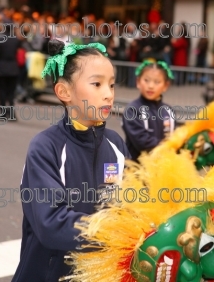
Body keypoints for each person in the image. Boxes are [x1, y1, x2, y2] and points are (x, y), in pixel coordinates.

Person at [12, 40, 130, 282]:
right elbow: (51, 222)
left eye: (111, 85)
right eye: (96, 84)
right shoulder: (45, 147)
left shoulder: (116, 144)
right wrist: (113, 231)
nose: (108, 94)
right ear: (64, 92)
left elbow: (133, 201)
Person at [122, 60, 175, 161]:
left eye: (157, 82)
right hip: (136, 171)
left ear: (165, 86)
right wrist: (170, 146)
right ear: (138, 82)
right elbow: (142, 142)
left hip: (162, 170)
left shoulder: (169, 111)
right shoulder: (132, 110)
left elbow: (175, 136)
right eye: (146, 80)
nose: (151, 86)